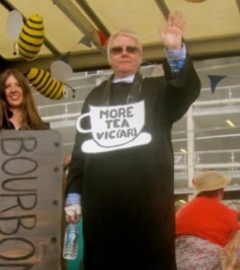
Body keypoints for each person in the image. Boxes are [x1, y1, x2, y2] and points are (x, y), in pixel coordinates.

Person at [64, 11, 200, 270]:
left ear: (139, 57)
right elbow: (81, 149)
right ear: (109, 58)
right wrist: (73, 194)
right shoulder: (93, 97)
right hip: (102, 205)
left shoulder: (159, 90)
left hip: (147, 205)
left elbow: (187, 90)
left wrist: (174, 51)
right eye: (117, 50)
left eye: (131, 49)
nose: (124, 53)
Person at [0, 69, 65, 230]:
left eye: (18, 85)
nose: (13, 90)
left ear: (25, 90)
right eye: (7, 86)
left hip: (34, 209)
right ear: (2, 93)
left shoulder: (43, 131)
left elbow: (50, 173)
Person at [175, 171, 240, 270]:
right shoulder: (224, 211)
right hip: (209, 260)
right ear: (220, 192)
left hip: (180, 260)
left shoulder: (183, 209)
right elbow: (235, 235)